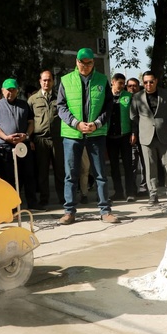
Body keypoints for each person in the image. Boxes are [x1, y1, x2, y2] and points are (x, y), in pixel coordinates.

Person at [56, 48, 119, 224]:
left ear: (94, 63)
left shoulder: (102, 80)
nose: (84, 66)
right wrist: (76, 123)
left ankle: (105, 211)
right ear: (76, 62)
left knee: (100, 173)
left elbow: (108, 106)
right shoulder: (65, 81)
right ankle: (69, 212)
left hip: (96, 133)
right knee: (71, 174)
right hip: (72, 134)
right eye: (81, 62)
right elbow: (60, 107)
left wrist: (97, 123)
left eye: (88, 62)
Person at [129, 71, 167, 204]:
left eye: (151, 81)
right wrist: (144, 126)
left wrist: (164, 124)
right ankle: (153, 194)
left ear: (156, 81)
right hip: (146, 136)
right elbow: (133, 116)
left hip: (164, 135)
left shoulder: (166, 94)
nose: (148, 85)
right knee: (150, 166)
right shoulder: (138, 97)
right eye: (145, 82)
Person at [0, 78, 40, 210]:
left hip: (23, 145)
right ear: (2, 90)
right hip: (5, 146)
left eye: (13, 90)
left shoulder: (24, 105)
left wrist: (27, 136)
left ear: (17, 91)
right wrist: (6, 137)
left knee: (28, 174)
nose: (10, 93)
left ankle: (32, 204)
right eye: (8, 90)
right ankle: (12, 207)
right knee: (9, 177)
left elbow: (31, 123)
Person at [28, 70, 65, 206]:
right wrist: (30, 140)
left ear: (53, 82)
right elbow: (29, 121)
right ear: (40, 81)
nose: (46, 82)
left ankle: (63, 198)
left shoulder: (59, 97)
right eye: (44, 80)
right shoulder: (33, 99)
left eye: (49, 80)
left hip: (57, 139)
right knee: (42, 172)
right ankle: (44, 199)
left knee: (60, 170)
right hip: (40, 140)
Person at [106, 73, 136, 202]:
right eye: (120, 83)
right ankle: (118, 192)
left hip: (125, 136)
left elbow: (134, 117)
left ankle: (130, 192)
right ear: (113, 82)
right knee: (114, 166)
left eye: (124, 83)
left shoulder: (129, 97)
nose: (122, 86)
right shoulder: (106, 96)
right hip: (110, 137)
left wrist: (134, 133)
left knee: (128, 165)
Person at [127, 77, 147, 195]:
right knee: (132, 164)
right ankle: (132, 189)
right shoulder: (125, 100)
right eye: (130, 86)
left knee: (145, 164)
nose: (132, 88)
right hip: (129, 137)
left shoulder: (143, 100)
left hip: (143, 135)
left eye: (135, 85)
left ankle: (144, 188)